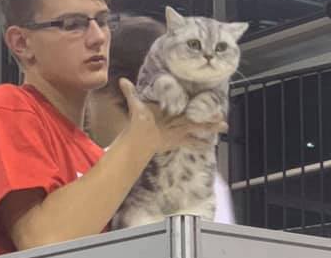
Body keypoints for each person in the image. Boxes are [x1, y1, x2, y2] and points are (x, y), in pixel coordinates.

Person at [0, 0, 221, 258]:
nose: (97, 37)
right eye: (72, 24)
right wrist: (140, 139)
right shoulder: (5, 107)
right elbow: (44, 242)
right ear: (21, 43)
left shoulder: (95, 157)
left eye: (103, 21)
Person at [87, 15, 235, 223]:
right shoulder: (209, 182)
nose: (86, 110)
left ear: (121, 88)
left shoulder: (90, 175)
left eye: (90, 91)